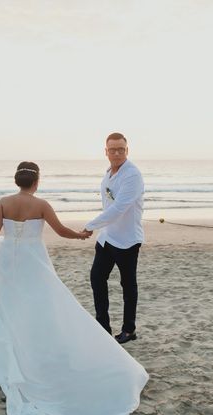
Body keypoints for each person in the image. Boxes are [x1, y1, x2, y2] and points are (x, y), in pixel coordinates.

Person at [0, 162, 148, 415]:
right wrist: (82, 235)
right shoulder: (41, 204)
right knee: (39, 303)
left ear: (18, 181)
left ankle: (13, 347)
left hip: (7, 263)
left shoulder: (4, 202)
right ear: (35, 182)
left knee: (9, 305)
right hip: (33, 261)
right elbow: (61, 231)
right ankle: (37, 345)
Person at [84, 133, 144, 344]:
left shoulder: (132, 175)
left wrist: (90, 226)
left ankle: (129, 330)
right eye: (112, 150)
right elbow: (108, 205)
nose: (117, 153)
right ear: (106, 151)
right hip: (107, 237)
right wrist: (99, 228)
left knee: (128, 285)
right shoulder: (109, 172)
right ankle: (103, 328)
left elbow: (119, 208)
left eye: (121, 149)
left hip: (127, 240)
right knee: (96, 278)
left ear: (127, 150)